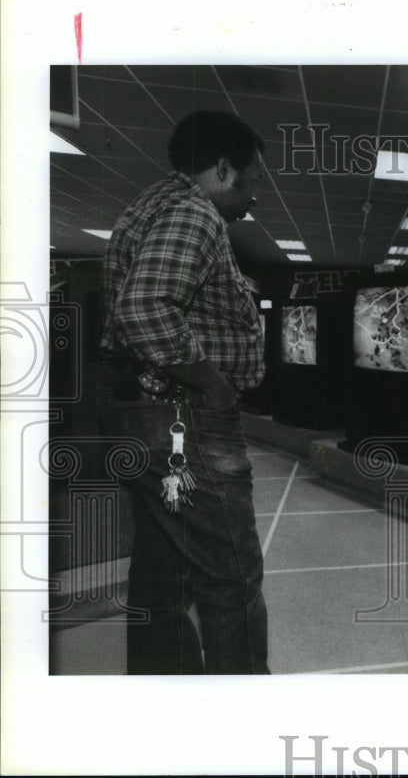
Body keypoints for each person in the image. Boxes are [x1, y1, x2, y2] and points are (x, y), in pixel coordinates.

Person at [100, 110, 269, 674]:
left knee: (163, 571)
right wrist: (213, 382)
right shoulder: (195, 213)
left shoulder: (148, 207)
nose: (250, 198)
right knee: (231, 577)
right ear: (223, 169)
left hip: (144, 415)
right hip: (185, 419)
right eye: (249, 181)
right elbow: (144, 308)